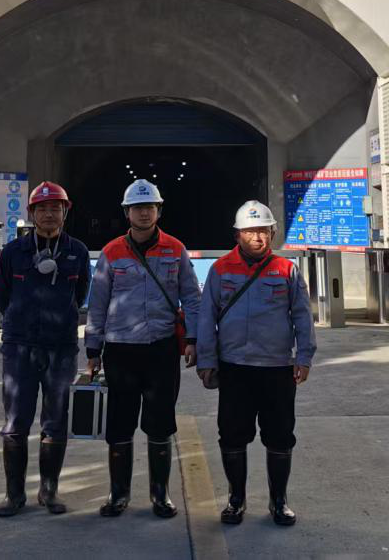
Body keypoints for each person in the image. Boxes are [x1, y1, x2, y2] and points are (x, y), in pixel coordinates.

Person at [85, 178, 201, 519]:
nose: (144, 213)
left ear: (158, 210)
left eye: (149, 207)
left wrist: (193, 340)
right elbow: (98, 304)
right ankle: (118, 494)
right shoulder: (111, 252)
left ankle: (160, 495)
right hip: (120, 351)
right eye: (137, 208)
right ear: (127, 213)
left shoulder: (175, 249)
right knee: (119, 424)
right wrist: (92, 349)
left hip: (161, 350)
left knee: (160, 423)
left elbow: (191, 298)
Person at [196, 200, 315, 527]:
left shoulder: (286, 270)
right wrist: (206, 359)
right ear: (237, 235)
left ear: (273, 233)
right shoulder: (220, 270)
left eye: (263, 231)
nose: (258, 237)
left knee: (280, 435)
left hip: (277, 368)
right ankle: (236, 500)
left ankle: (279, 501)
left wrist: (304, 356)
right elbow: (206, 318)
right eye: (250, 232)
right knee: (232, 435)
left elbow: (302, 316)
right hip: (235, 368)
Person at [0, 181, 90, 518]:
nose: (49, 214)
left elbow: (80, 295)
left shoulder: (77, 251)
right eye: (42, 208)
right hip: (19, 347)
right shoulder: (13, 252)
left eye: (55, 208)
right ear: (32, 213)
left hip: (60, 348)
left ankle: (49, 491)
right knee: (15, 422)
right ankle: (14, 495)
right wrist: (22, 321)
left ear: (65, 212)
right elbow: (2, 296)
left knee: (56, 421)